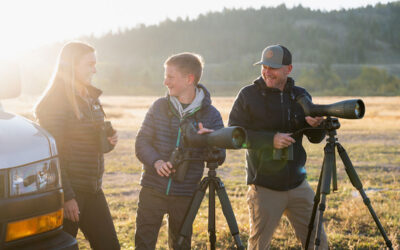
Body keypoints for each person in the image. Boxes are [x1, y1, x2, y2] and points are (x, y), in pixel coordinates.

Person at [228, 44, 329, 249]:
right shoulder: (248, 95)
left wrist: (317, 126)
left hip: (299, 185)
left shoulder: (301, 96)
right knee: (259, 246)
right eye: (264, 66)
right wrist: (269, 141)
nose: (267, 71)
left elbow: (316, 138)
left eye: (273, 67)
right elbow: (233, 135)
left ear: (288, 69)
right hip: (264, 187)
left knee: (319, 244)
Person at [134, 52, 225, 249]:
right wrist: (156, 161)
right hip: (152, 189)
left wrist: (208, 141)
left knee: (181, 245)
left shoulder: (211, 115)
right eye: (165, 76)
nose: (165, 82)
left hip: (186, 193)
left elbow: (220, 157)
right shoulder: (158, 106)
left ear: (189, 78)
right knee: (143, 243)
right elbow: (141, 142)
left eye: (170, 77)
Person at [34, 41, 120, 250]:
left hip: (93, 190)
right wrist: (68, 197)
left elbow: (89, 143)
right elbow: (54, 155)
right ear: (72, 65)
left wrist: (108, 142)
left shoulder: (90, 97)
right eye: (90, 64)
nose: (95, 69)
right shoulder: (55, 102)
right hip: (70, 194)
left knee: (109, 246)